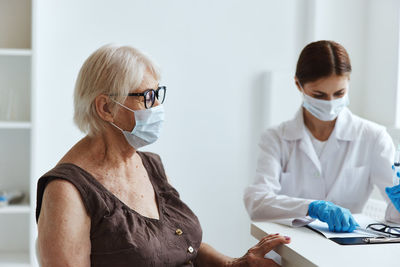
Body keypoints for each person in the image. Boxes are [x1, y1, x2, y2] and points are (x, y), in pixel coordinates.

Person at [36, 44, 290, 267]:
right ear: (106, 108)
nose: (158, 107)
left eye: (158, 94)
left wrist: (234, 264)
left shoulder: (149, 165)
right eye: (147, 97)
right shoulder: (66, 190)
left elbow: (175, 244)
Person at [244, 40, 400, 233]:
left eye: (339, 93)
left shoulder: (373, 137)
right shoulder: (276, 138)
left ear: (348, 82)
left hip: (347, 249)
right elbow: (257, 202)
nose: (330, 103)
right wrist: (310, 207)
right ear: (298, 85)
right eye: (319, 95)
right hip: (290, 248)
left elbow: (395, 215)